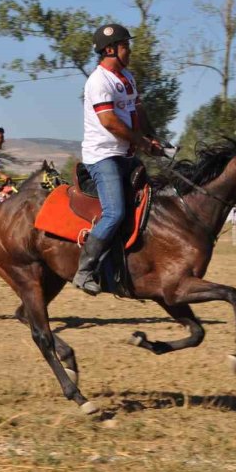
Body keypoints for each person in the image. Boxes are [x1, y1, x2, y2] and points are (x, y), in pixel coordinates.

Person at [73, 23, 163, 295]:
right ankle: (84, 270)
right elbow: (110, 122)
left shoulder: (127, 78)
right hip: (103, 158)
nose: (130, 50)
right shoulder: (98, 81)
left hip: (125, 155)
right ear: (110, 49)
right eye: (125, 46)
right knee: (115, 212)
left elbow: (138, 109)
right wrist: (142, 142)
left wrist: (153, 136)